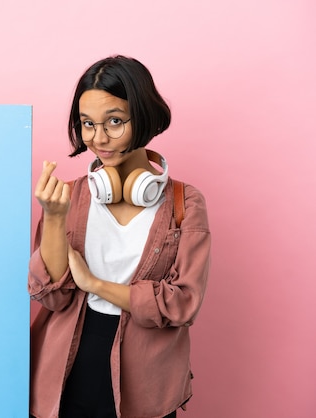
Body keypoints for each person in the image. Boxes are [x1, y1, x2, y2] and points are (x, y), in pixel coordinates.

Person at [28, 55, 211, 418]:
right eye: (87, 124)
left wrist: (95, 284)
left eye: (114, 121)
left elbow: (183, 303)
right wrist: (54, 216)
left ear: (142, 116)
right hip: (64, 370)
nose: (98, 138)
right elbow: (50, 295)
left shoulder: (184, 202)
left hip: (146, 381)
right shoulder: (70, 197)